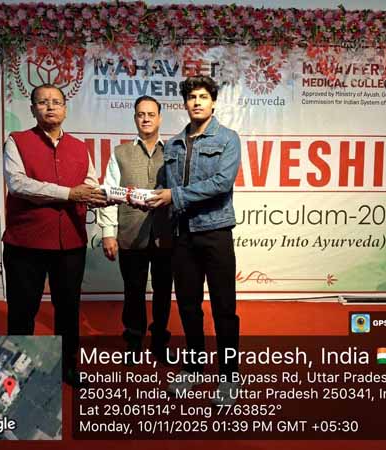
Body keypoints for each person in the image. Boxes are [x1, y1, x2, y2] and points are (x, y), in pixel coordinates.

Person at [2, 83, 106, 385]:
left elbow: (90, 185)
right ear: (33, 109)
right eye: (43, 102)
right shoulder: (17, 141)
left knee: (68, 310)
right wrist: (69, 193)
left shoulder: (79, 147)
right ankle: (15, 373)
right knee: (23, 311)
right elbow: (18, 184)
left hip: (70, 242)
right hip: (26, 243)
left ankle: (68, 366)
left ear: (65, 109)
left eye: (56, 102)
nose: (50, 107)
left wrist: (107, 196)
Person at [147, 76, 241, 405]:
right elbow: (165, 192)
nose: (197, 102)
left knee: (224, 308)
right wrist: (149, 203)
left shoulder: (228, 138)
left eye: (203, 96)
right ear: (185, 104)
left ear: (213, 102)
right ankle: (195, 367)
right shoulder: (173, 145)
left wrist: (175, 196)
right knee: (188, 306)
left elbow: (222, 182)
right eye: (191, 97)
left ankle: (229, 375)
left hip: (215, 232)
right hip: (182, 234)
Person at [97, 95, 173, 361]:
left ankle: (160, 339)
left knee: (163, 292)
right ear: (135, 119)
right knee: (133, 290)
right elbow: (109, 194)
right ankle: (133, 338)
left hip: (166, 235)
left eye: (151, 114)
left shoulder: (174, 151)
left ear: (160, 118)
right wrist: (108, 233)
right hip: (130, 233)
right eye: (141, 114)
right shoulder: (120, 153)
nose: (146, 119)